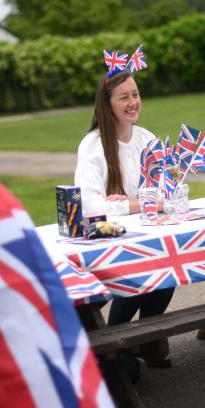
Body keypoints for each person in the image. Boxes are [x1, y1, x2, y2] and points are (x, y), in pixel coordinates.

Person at [74, 57, 174, 369]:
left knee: (167, 264)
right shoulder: (93, 145)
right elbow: (90, 206)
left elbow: (166, 192)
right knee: (138, 270)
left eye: (136, 94)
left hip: (145, 232)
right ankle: (118, 339)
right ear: (108, 103)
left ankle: (147, 335)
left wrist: (142, 200)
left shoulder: (147, 139)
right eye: (124, 97)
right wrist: (136, 203)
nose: (133, 102)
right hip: (105, 240)